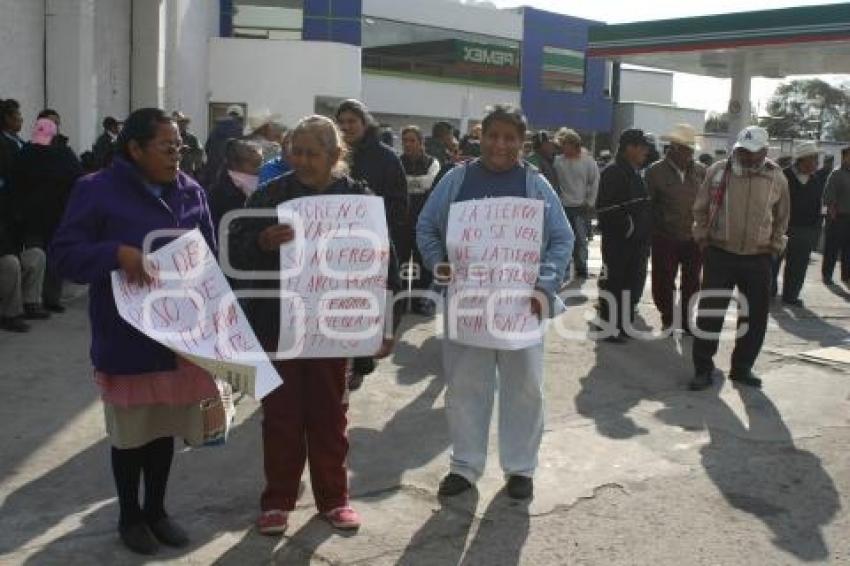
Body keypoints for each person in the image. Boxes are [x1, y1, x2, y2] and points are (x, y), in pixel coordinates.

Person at [51, 108, 217, 555]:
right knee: (131, 433)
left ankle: (157, 510)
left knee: (163, 428)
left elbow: (209, 260)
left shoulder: (191, 191)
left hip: (177, 335)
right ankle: (130, 515)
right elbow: (65, 254)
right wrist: (115, 253)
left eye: (180, 146)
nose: (176, 155)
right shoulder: (96, 191)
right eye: (166, 147)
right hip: (126, 334)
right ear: (135, 148)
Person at [228, 115, 398, 535]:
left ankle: (334, 499)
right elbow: (235, 252)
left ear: (336, 155)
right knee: (280, 416)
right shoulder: (270, 195)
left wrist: (385, 323)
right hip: (277, 325)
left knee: (330, 415)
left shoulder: (360, 200)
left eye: (312, 153)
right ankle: (278, 500)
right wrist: (264, 241)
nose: (302, 161)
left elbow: (384, 266)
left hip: (333, 327)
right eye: (296, 152)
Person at [416, 104, 573, 500]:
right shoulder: (456, 180)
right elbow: (426, 226)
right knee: (466, 386)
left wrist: (545, 284)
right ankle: (465, 467)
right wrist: (439, 264)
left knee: (524, 389)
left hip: (522, 308)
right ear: (480, 135)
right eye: (493, 135)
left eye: (510, 138)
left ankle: (520, 469)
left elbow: (562, 238)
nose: (500, 144)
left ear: (522, 143)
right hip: (467, 307)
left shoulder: (535, 183)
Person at [690, 126, 790, 391]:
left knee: (755, 316)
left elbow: (782, 219)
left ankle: (742, 367)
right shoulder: (718, 171)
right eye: (742, 150)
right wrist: (702, 239)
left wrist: (775, 247)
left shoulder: (776, 177)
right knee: (710, 314)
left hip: (758, 258)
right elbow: (699, 209)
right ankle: (703, 368)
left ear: (765, 152)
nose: (745, 156)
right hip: (720, 254)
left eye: (752, 151)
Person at [10, 118, 83, 313]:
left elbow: (14, 183)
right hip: (49, 214)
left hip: (39, 214)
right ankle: (44, 299)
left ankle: (38, 299)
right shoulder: (61, 153)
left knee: (42, 256)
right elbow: (78, 178)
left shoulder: (25, 153)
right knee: (46, 257)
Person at [645, 124, 706, 332]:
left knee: (692, 282)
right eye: (687, 149)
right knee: (663, 280)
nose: (690, 154)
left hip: (693, 237)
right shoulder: (654, 172)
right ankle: (669, 317)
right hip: (665, 236)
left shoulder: (699, 171)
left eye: (692, 150)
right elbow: (648, 205)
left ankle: (687, 318)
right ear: (674, 148)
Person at [336, 99, 409, 267]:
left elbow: (399, 207)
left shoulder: (387, 158)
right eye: (341, 122)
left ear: (365, 124)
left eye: (351, 121)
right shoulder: (330, 156)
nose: (345, 127)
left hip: (372, 248)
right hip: (334, 247)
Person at [595, 129, 652, 342]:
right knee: (614, 282)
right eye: (642, 146)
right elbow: (606, 209)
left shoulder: (635, 171)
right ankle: (609, 327)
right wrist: (628, 227)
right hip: (619, 242)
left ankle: (624, 324)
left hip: (637, 243)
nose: (646, 151)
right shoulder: (614, 172)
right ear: (630, 147)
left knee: (632, 283)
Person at [774, 142, 825, 306]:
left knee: (798, 266)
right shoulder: (783, 176)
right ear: (803, 160)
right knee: (773, 263)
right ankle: (768, 292)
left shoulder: (816, 180)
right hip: (782, 228)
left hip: (805, 230)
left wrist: (815, 230)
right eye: (814, 159)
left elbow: (818, 205)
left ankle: (791, 296)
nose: (817, 163)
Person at [400, 125, 441, 315]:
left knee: (423, 265)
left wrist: (408, 182)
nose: (408, 144)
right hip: (402, 222)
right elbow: (415, 183)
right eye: (405, 140)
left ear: (421, 142)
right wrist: (418, 183)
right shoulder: (397, 162)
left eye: (412, 140)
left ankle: (421, 303)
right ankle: (399, 303)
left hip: (423, 223)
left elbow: (429, 182)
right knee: (402, 264)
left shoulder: (433, 163)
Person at [0, 189, 47, 332]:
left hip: (9, 251)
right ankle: (10, 315)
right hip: (6, 257)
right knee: (10, 263)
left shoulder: (6, 202)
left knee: (36, 255)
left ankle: (30, 303)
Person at [555, 128, 599, 281]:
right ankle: (564, 268)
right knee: (564, 239)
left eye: (566, 144)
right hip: (563, 207)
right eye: (562, 144)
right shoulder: (558, 162)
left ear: (575, 145)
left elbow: (594, 182)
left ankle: (581, 269)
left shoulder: (588, 162)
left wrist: (590, 202)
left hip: (581, 207)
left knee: (581, 239)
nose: (564, 147)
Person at [208, 139, 263, 233]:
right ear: (234, 164)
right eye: (254, 164)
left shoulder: (265, 188)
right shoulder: (220, 194)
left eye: (261, 163)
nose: (259, 170)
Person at [823, 146, 850, 285]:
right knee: (832, 248)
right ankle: (827, 275)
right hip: (838, 217)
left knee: (848, 250)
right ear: (845, 156)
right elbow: (829, 196)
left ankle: (846, 276)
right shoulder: (837, 173)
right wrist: (833, 215)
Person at [202, 104, 245, 186]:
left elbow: (208, 146)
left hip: (213, 167)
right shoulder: (239, 130)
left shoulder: (217, 127)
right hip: (231, 169)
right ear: (240, 117)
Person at [0, 99, 25, 192]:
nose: (21, 118)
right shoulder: (3, 144)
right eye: (18, 114)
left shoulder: (20, 142)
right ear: (7, 118)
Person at [173, 111, 204, 179]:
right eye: (178, 123)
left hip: (187, 172)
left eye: (183, 123)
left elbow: (200, 152)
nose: (181, 125)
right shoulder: (169, 138)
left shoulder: (192, 138)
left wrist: (196, 168)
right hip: (172, 171)